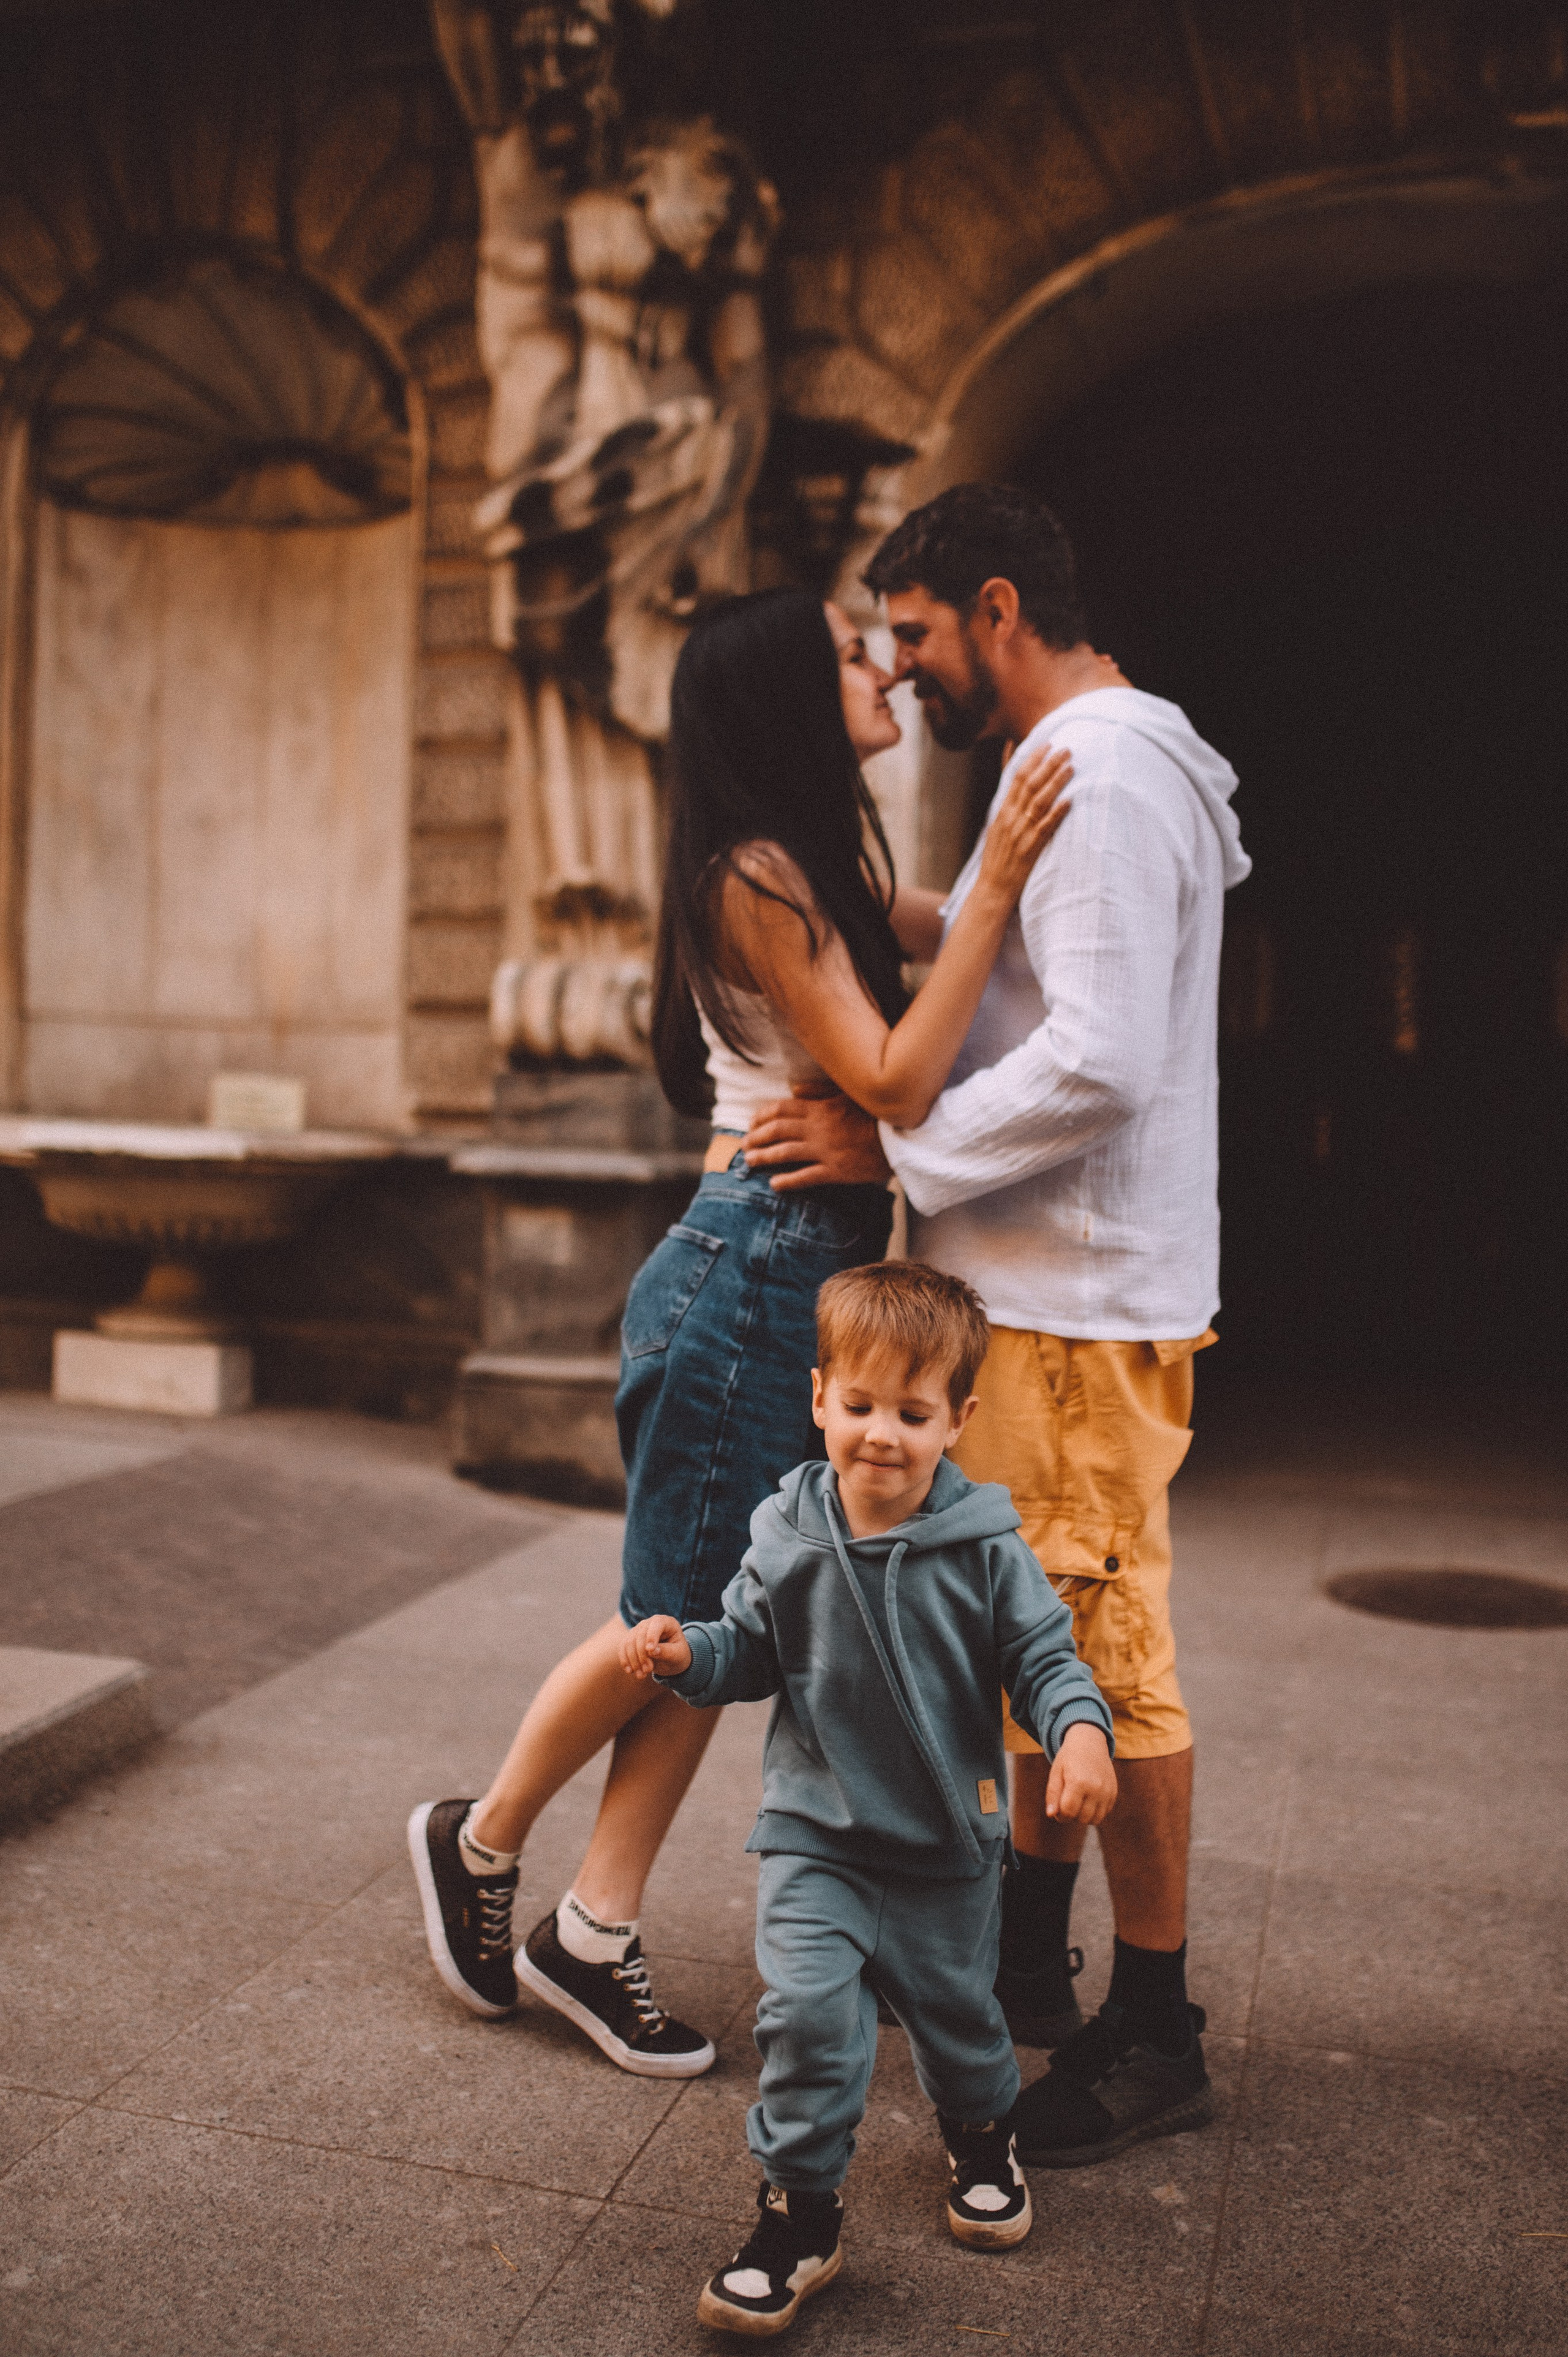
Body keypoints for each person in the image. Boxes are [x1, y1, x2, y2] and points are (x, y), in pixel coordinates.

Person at [409, 585, 1073, 2077]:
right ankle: (483, 1835)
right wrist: (1009, 861)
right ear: (784, 686)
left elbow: (959, 944)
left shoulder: (811, 858)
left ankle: (591, 1927)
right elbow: (898, 1071)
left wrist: (1015, 882)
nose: (887, 669)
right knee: (674, 1620)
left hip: (789, 1265)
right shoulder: (759, 873)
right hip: (753, 1268)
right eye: (856, 651)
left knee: (723, 1632)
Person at [743, 483, 1251, 2167]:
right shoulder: (1085, 766)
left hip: (1075, 1306)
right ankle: (1028, 1949)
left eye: (915, 635)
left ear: (1000, 606)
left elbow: (1096, 1055)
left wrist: (900, 1141)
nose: (906, 673)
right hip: (1035, 1297)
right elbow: (996, 964)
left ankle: (1157, 2027)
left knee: (1105, 1665)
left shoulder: (1093, 776)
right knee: (1029, 1646)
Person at [622, 1261, 1118, 2336]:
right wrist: (686, 1655)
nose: (881, 1435)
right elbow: (745, 1649)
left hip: (946, 1846)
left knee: (959, 2027)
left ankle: (983, 2137)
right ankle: (799, 2214)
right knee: (805, 2019)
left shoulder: (988, 1548)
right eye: (858, 1406)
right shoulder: (785, 1533)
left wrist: (1079, 1733)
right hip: (816, 1837)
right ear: (818, 1400)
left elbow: (1047, 1660)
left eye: (913, 1411)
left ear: (959, 1419)